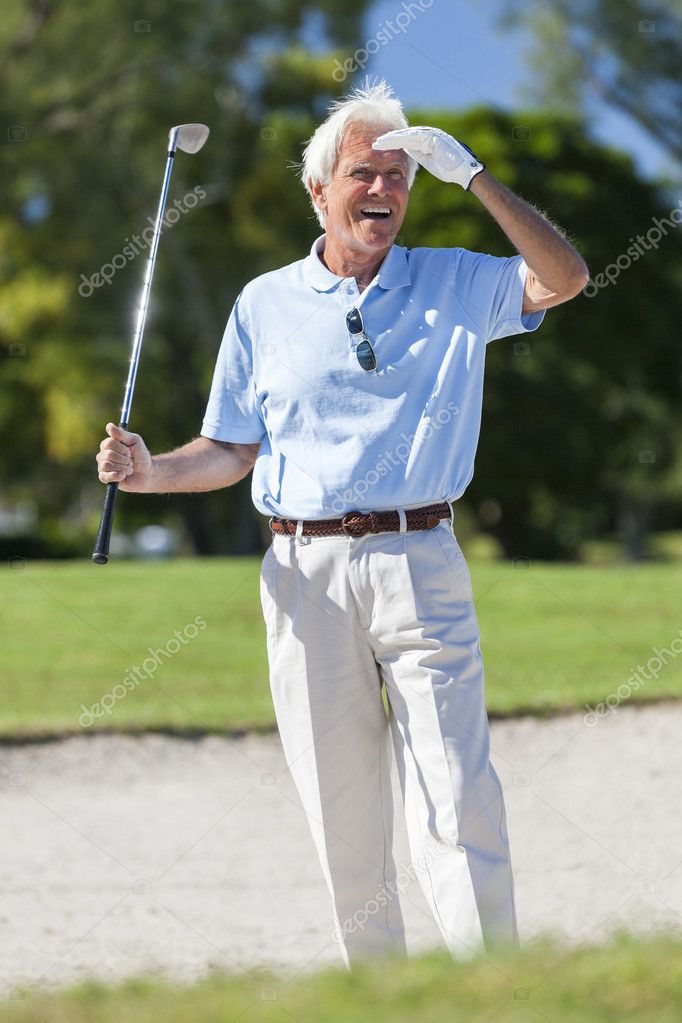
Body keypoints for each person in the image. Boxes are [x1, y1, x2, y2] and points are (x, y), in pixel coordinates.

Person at [96, 79, 589, 970]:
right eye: (366, 172)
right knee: (342, 807)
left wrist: (471, 174)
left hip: (420, 559)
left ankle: (497, 992)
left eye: (401, 175)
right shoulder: (262, 304)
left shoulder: (456, 279)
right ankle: (382, 993)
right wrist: (150, 471)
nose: (386, 191)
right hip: (302, 575)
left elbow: (566, 278)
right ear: (319, 190)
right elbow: (228, 448)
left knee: (457, 792)